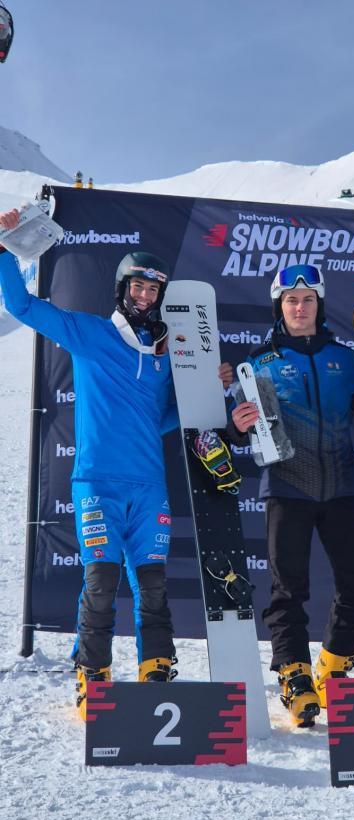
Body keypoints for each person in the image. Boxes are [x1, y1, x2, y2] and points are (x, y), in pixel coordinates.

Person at [0, 207, 230, 718]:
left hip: (149, 488)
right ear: (123, 290)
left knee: (152, 586)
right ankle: (94, 673)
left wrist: (209, 389)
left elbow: (165, 419)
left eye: (154, 291)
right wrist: (2, 252)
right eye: (139, 288)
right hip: (97, 485)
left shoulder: (165, 355)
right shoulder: (89, 333)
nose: (146, 297)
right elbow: (20, 305)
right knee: (101, 581)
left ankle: (157, 669)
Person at [227, 263, 354, 728]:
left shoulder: (346, 359)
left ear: (319, 305)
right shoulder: (260, 361)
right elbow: (234, 432)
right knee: (288, 590)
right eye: (291, 300)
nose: (299, 307)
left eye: (308, 299)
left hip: (343, 489)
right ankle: (293, 675)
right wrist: (236, 424)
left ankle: (333, 668)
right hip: (287, 489)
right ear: (280, 306)